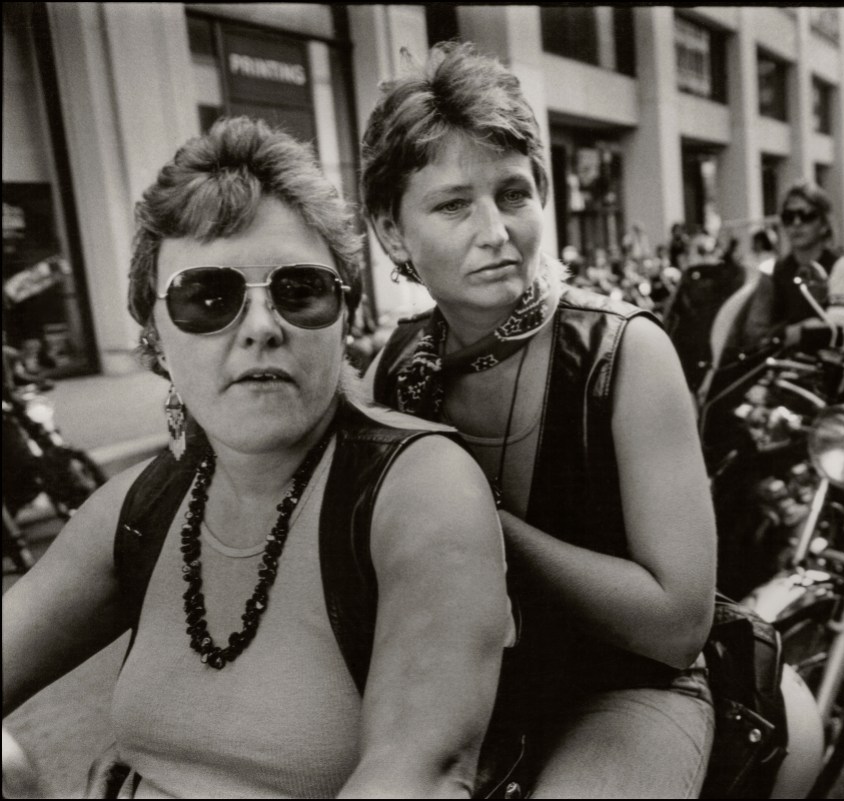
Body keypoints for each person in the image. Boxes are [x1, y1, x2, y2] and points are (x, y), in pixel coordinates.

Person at [2, 117, 512, 798]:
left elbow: (421, 772)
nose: (263, 328)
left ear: (346, 319)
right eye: (206, 298)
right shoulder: (140, 507)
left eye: (301, 292)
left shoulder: (417, 488)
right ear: (153, 335)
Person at [361, 43, 716, 798]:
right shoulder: (391, 368)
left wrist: (477, 523)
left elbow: (679, 622)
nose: (494, 229)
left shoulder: (625, 353)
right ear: (393, 232)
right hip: (461, 688)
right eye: (454, 203)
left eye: (513, 194)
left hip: (624, 691)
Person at [729, 182, 844, 357]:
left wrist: (789, 334)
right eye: (788, 217)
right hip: (778, 372)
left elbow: (839, 337)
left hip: (827, 373)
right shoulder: (772, 271)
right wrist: (796, 331)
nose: (796, 223)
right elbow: (754, 335)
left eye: (806, 215)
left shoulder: (843, 266)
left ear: (824, 224)